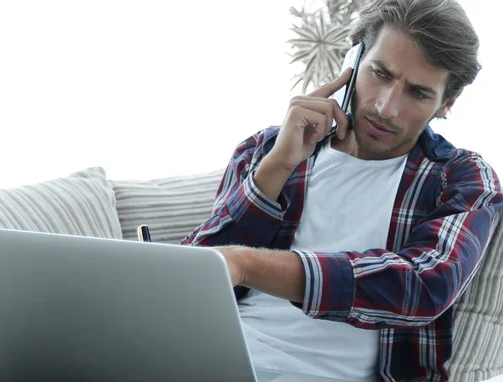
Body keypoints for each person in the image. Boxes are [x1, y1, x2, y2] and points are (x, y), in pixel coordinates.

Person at [181, 0, 503, 380]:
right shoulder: (267, 149)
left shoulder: (461, 176)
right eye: (380, 73)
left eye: (417, 93)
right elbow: (190, 286)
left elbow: (423, 287)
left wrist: (246, 264)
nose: (386, 108)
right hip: (208, 362)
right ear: (353, 61)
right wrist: (279, 164)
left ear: (446, 103)